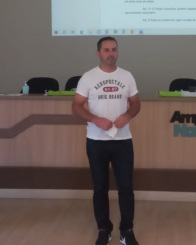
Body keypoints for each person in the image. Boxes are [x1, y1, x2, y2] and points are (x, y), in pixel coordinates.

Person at [72, 37, 141, 245]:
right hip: (96, 141)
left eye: (114, 49)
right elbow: (76, 106)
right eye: (106, 50)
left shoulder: (127, 76)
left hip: (123, 141)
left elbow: (136, 104)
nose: (111, 53)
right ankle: (104, 229)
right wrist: (95, 119)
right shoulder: (88, 77)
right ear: (98, 53)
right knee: (100, 187)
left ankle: (127, 230)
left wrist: (128, 115)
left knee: (126, 187)